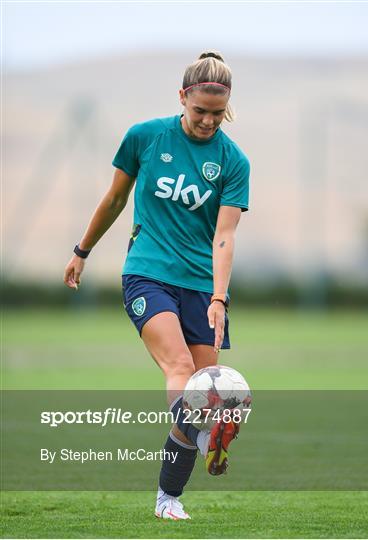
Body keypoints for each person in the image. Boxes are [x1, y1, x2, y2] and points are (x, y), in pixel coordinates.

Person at [63, 50, 250, 520]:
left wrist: (219, 299)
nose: (208, 121)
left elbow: (224, 235)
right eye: (200, 111)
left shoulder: (234, 161)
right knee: (181, 367)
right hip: (147, 273)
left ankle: (168, 498)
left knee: (206, 386)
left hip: (202, 284)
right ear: (183, 97)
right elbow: (114, 198)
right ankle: (207, 432)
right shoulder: (145, 137)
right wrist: (81, 252)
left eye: (217, 113)